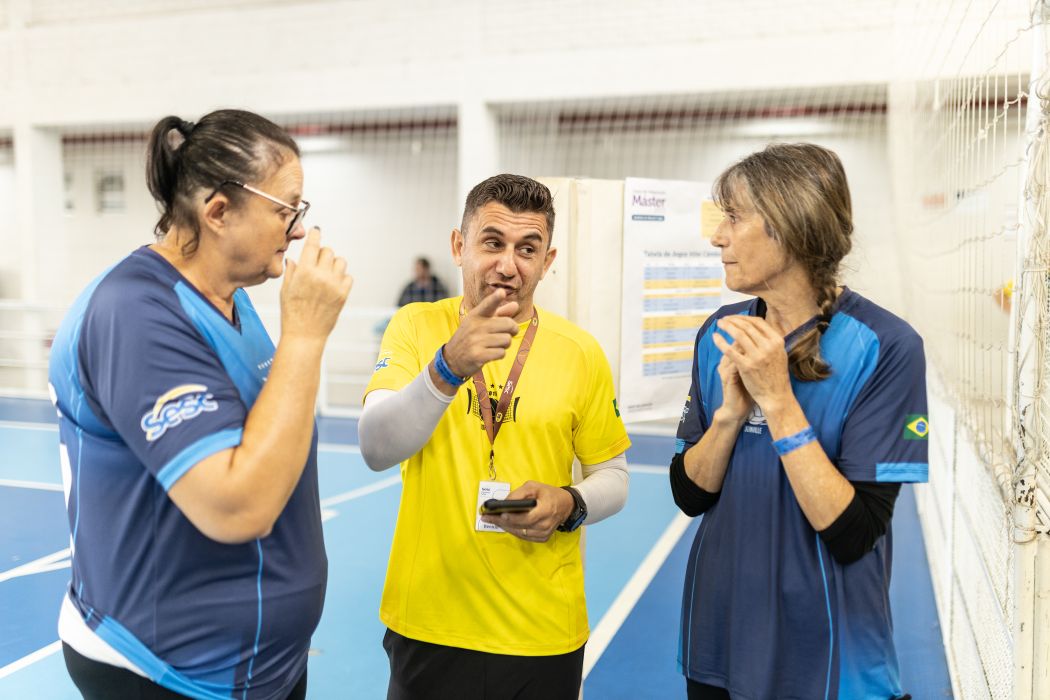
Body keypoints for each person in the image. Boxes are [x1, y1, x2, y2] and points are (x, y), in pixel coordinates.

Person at [48, 109, 352, 700]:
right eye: (286, 209)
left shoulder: (230, 299)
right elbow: (236, 509)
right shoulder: (135, 314)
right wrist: (306, 334)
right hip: (164, 672)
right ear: (218, 212)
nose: (297, 231)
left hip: (264, 668)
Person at [359, 174, 631, 700]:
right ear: (459, 246)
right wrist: (448, 367)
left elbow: (614, 477)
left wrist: (569, 503)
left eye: (527, 249)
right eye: (492, 242)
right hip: (429, 622)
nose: (508, 265)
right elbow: (375, 446)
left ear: (547, 262)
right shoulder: (416, 327)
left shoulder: (580, 352)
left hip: (542, 630)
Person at [670, 143, 927, 700]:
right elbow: (689, 496)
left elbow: (853, 533)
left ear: (789, 225)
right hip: (718, 643)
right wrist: (729, 418)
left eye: (733, 218)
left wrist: (778, 401)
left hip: (829, 661)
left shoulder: (887, 346)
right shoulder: (719, 331)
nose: (717, 237)